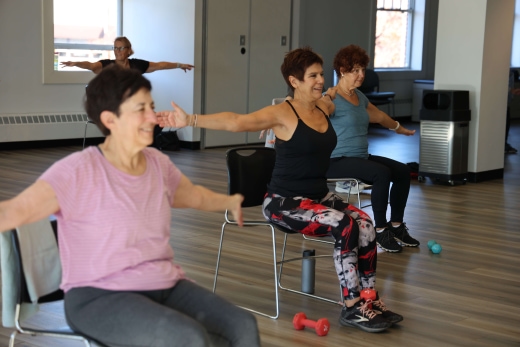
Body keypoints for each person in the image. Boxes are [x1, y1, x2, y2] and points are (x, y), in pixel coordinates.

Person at [0, 65, 259, 347]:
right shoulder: (77, 171)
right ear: (110, 119)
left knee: (242, 326)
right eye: (140, 110)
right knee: (187, 338)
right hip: (97, 296)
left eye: (152, 106)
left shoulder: (157, 164)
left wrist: (229, 201)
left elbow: (193, 195)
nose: (153, 117)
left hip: (162, 283)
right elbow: (11, 213)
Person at [157, 46, 402, 333]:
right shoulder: (282, 114)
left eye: (321, 74)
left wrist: (334, 92)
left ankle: (369, 300)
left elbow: (331, 101)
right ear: (294, 80)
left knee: (366, 224)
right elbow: (237, 121)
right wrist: (191, 120)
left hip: (318, 197)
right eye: (312, 76)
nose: (320, 80)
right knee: (346, 226)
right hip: (284, 203)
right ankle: (351, 307)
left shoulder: (323, 106)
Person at [325, 44, 420, 254]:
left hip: (360, 158)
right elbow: (305, 113)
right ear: (342, 70)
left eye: (362, 70)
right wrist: (277, 129)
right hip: (335, 161)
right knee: (380, 172)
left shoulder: (360, 97)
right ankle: (379, 230)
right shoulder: (330, 99)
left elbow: (379, 116)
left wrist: (399, 128)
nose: (361, 75)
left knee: (403, 171)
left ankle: (396, 226)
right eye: (355, 70)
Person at [61, 36, 195, 74]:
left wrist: (179, 65)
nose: (117, 51)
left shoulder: (137, 65)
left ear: (128, 50)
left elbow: (159, 65)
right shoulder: (107, 65)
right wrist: (76, 63)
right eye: (115, 48)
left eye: (121, 48)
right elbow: (90, 65)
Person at [506, 69, 518, 154]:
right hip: (501, 103)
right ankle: (503, 146)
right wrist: (511, 90)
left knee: (506, 124)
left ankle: (504, 145)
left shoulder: (510, 72)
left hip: (506, 103)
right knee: (505, 124)